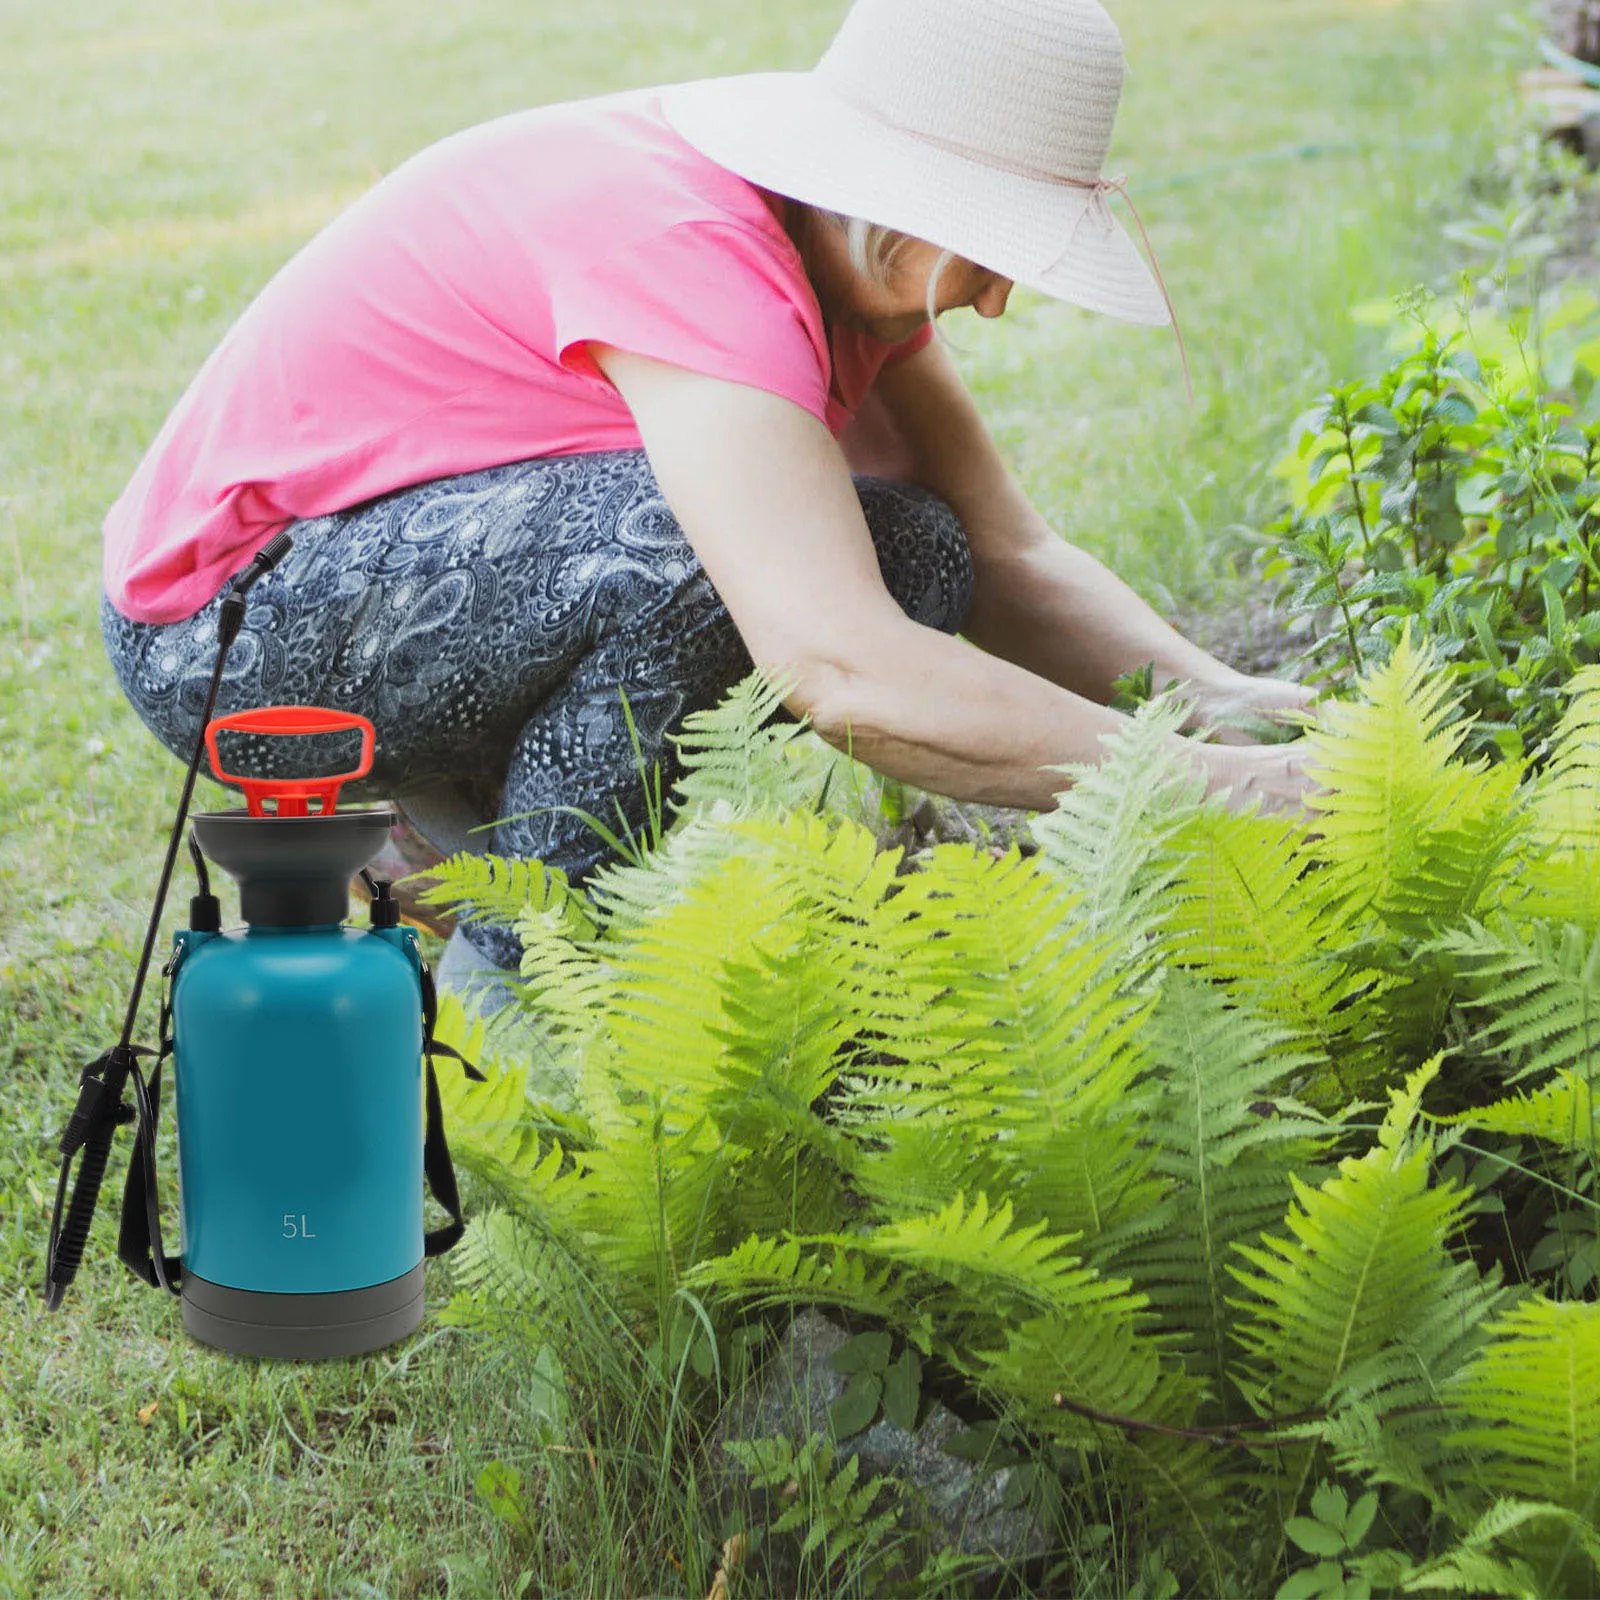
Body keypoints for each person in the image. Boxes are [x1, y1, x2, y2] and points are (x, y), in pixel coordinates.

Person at [99, 0, 1314, 1013]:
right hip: (227, 631)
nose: (994, 301)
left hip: (394, 573)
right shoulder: (693, 248)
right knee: (703, 556)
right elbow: (840, 668)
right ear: (895, 195)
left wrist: (1244, 711)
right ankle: (515, 995)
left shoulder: (842, 253)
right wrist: (1225, 789)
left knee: (915, 549)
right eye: (992, 249)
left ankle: (455, 838)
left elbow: (1010, 556)